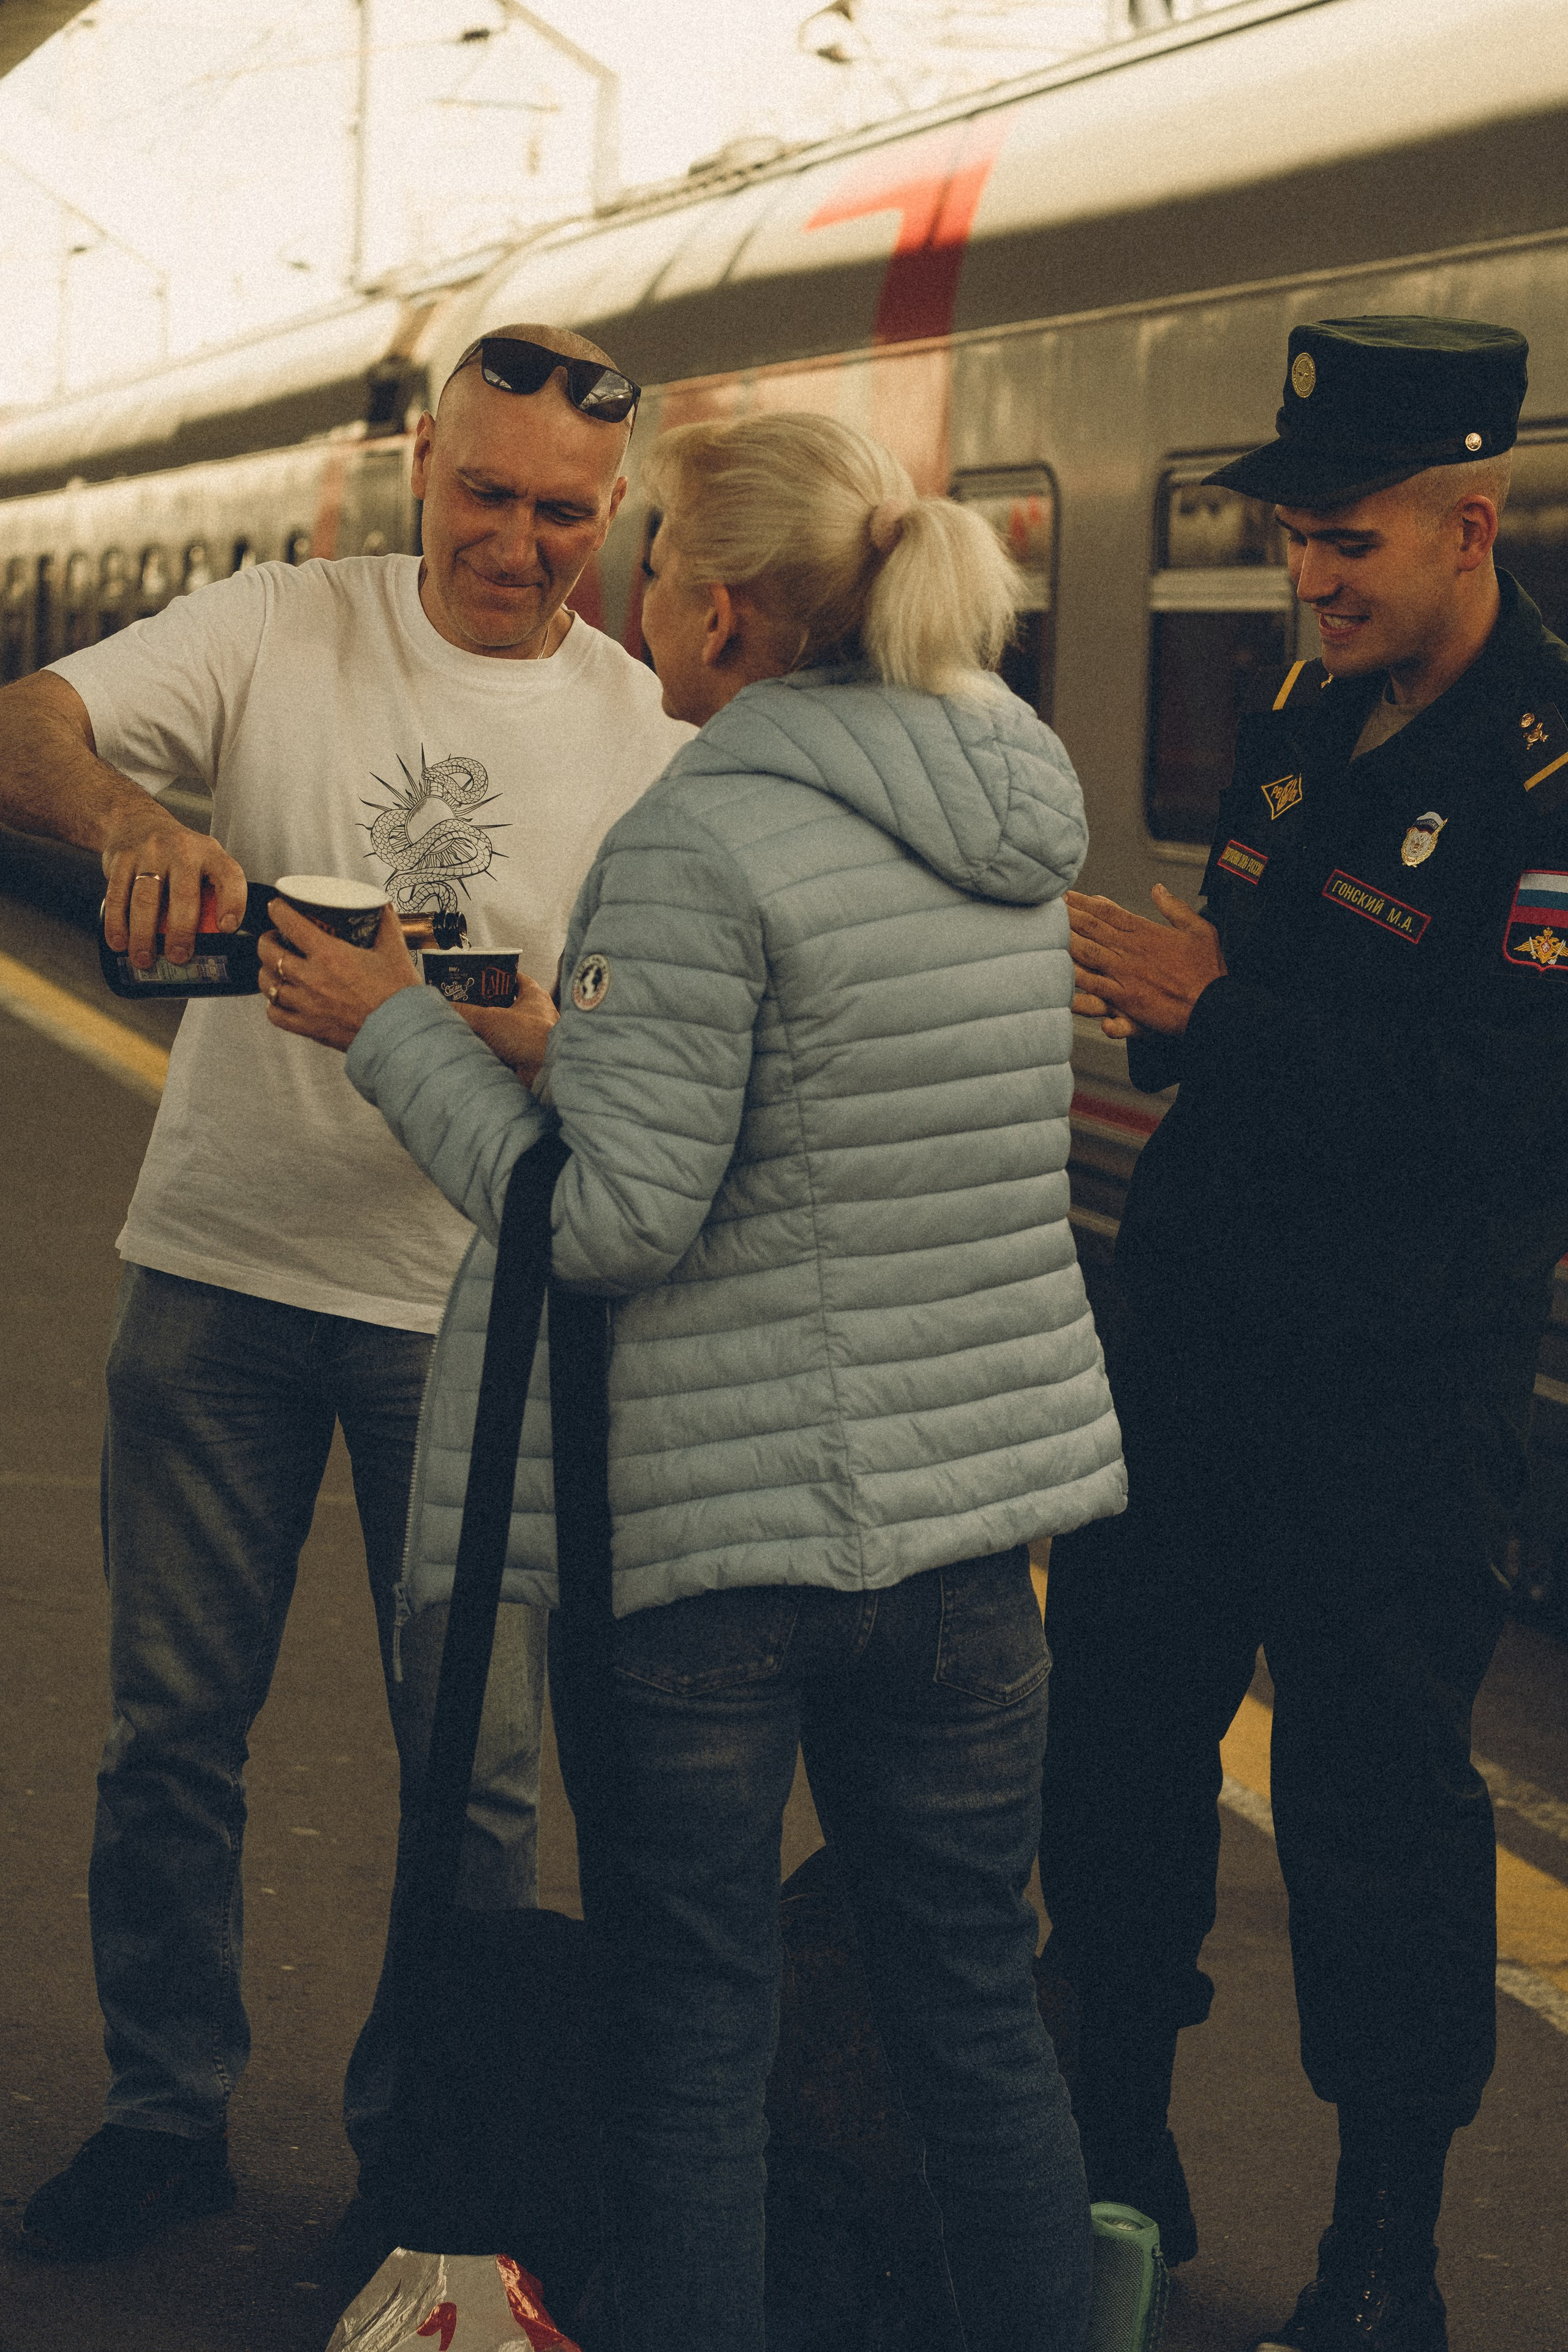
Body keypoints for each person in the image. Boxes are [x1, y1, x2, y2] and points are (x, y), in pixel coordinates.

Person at [258, 409, 1127, 2351]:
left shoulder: (701, 836)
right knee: (973, 2011)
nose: (616, 585)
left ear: (721, 610)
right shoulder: (1011, 804)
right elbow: (837, 1123)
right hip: (972, 1545)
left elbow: (609, 1223)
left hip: (722, 1566)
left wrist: (397, 1031)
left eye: (642, 555)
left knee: (697, 2032)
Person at [0, 324, 691, 2262]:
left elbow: (649, 1053)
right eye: (487, 492)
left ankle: (426, 2147)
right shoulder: (278, 622)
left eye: (564, 510)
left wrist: (542, 1037)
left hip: (472, 1304)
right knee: (167, 1731)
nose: (520, 537)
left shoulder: (651, 740)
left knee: (469, 1775)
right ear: (423, 473)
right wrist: (132, 822)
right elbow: (25, 720)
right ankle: (162, 2114)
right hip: (217, 1260)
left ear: (612, 514)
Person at [1038, 317, 1566, 2352]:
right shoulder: (1294, 711)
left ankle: (1384, 2257)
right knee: (1121, 1761)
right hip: (1189, 1345)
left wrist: (1207, 1012)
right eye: (1291, 545)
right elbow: (1259, 1017)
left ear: (1469, 516)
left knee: (1375, 1814)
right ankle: (1119, 2151)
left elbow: (1514, 1117)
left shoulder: (1542, 775)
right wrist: (1185, 1018)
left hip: (1392, 1398)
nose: (1311, 581)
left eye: (1345, 543)